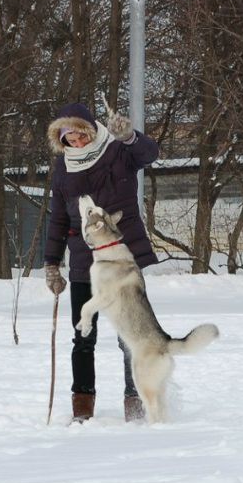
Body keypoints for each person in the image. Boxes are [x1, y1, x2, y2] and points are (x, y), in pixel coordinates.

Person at [42, 102, 160, 422]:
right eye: (70, 139)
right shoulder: (64, 168)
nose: (77, 142)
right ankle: (82, 408)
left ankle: (135, 403)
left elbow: (149, 154)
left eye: (81, 135)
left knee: (129, 335)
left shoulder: (117, 151)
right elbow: (58, 219)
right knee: (83, 337)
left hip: (122, 259)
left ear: (92, 130)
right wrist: (52, 263)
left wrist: (130, 136)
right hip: (85, 262)